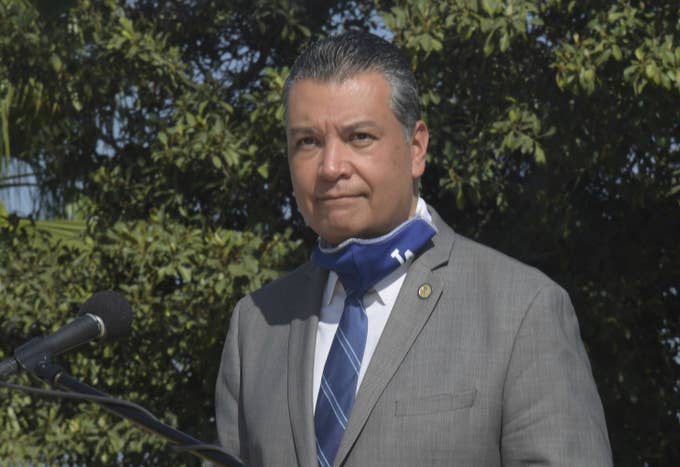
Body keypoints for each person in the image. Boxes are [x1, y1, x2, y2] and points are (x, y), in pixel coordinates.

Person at [214, 31, 612, 467]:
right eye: (308, 141)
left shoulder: (522, 310)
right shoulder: (256, 327)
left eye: (359, 137)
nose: (330, 167)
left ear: (416, 148)